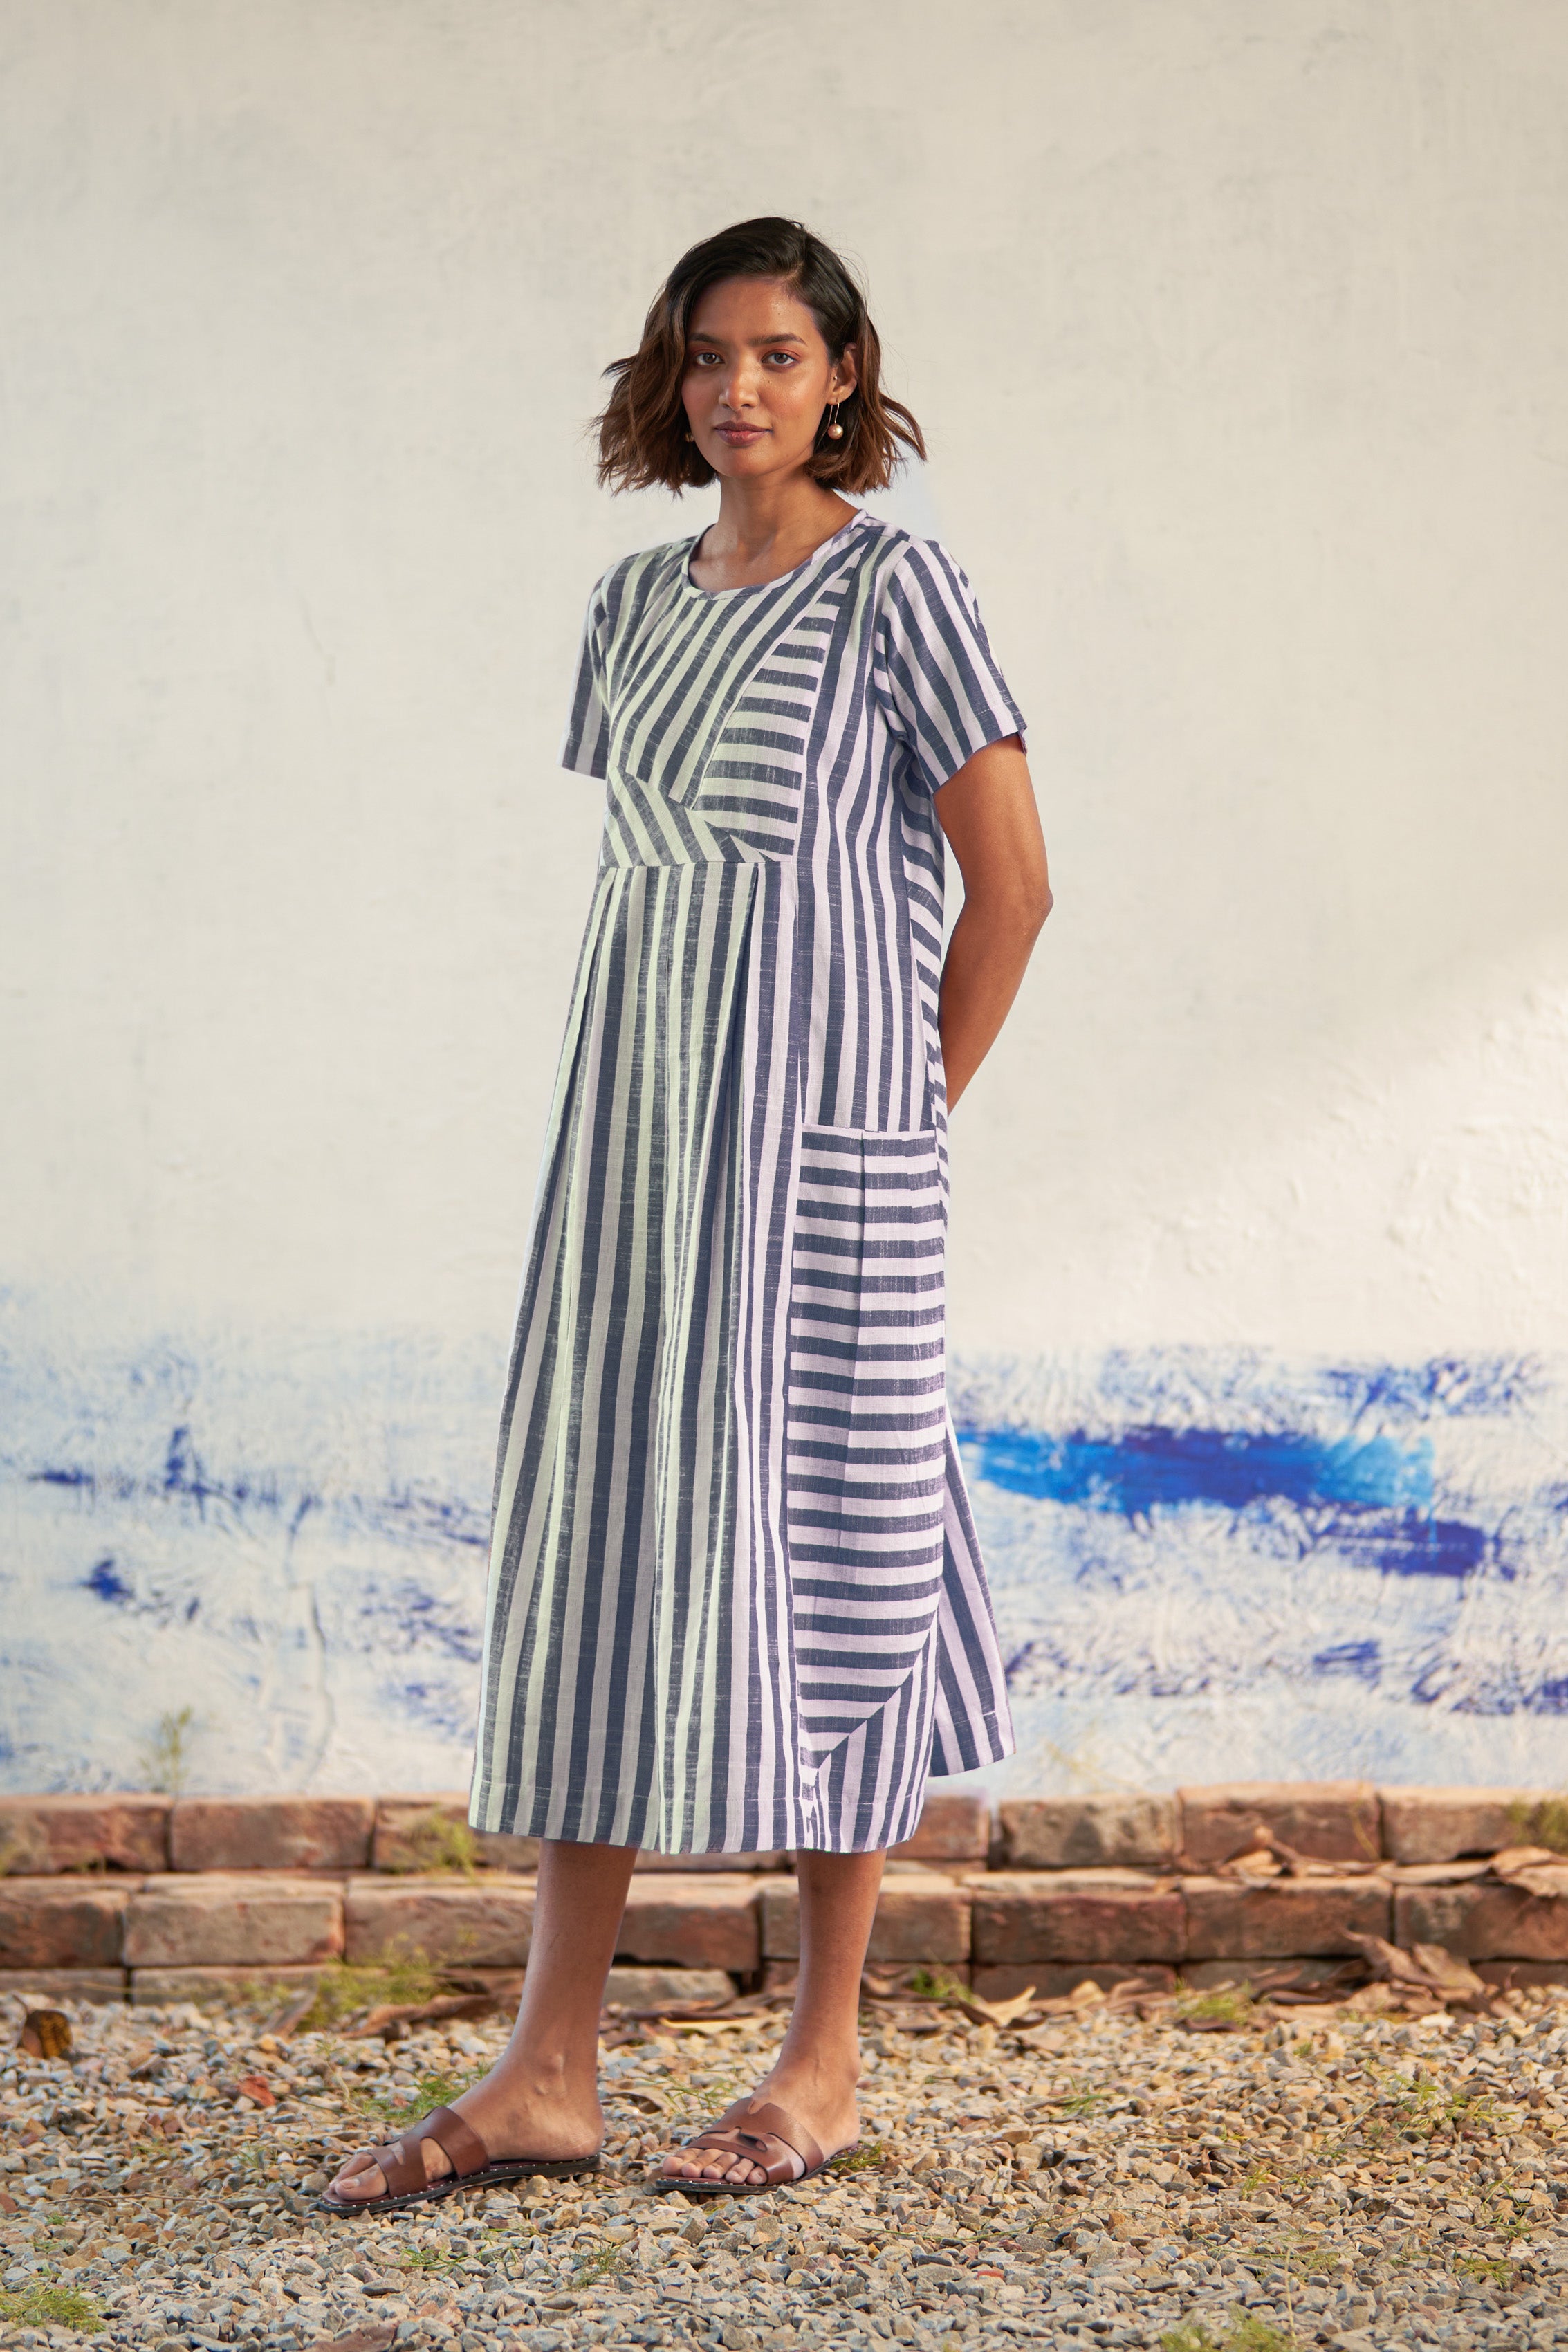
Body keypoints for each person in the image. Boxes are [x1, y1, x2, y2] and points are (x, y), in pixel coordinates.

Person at [326, 216, 1051, 2214]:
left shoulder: (898, 589)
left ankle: (821, 2059)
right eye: (710, 355)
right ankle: (548, 2069)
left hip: (829, 1165)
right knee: (605, 1546)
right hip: (636, 1157)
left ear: (842, 376)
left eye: (779, 355)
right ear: (673, 376)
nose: (741, 387)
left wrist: (901, 1115)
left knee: (837, 1557)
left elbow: (1012, 887)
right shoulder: (632, 605)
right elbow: (659, 884)